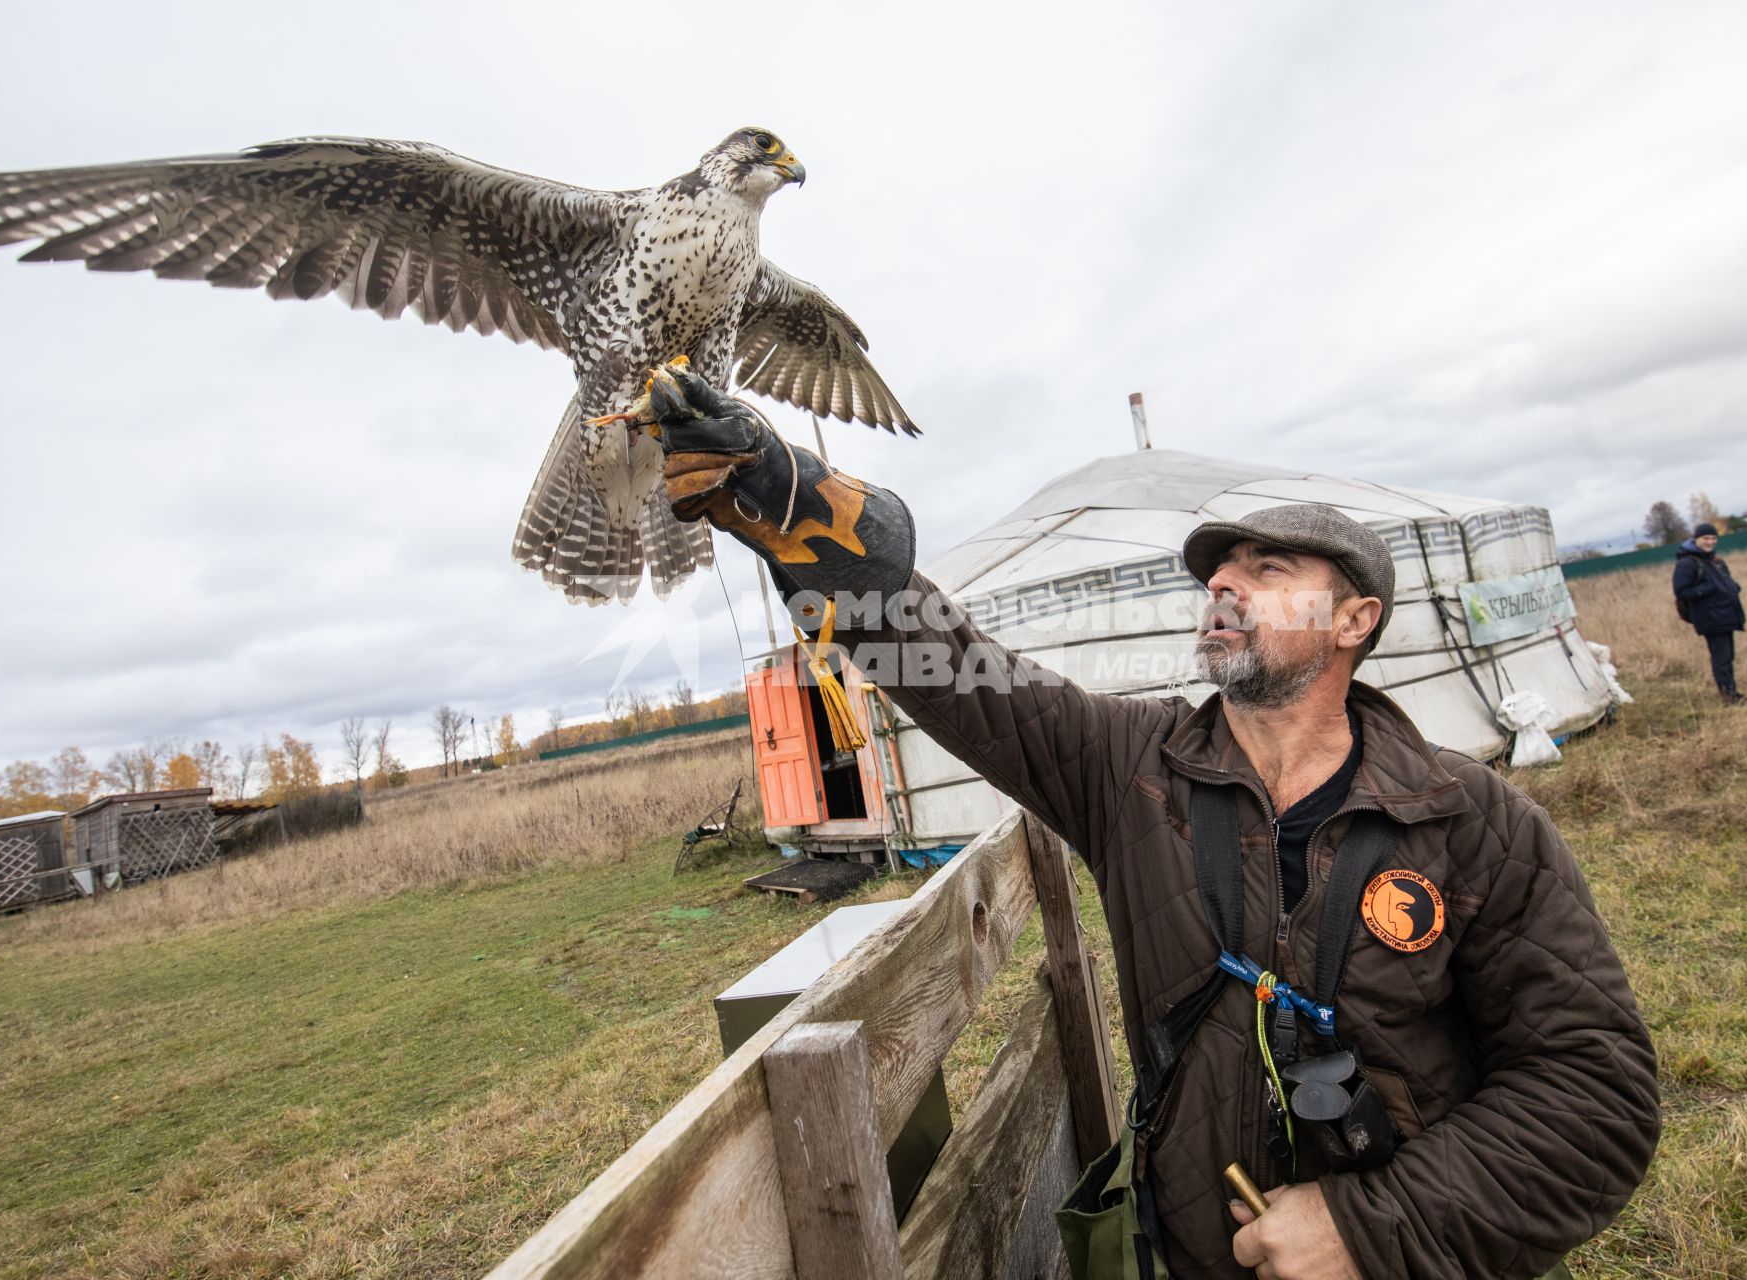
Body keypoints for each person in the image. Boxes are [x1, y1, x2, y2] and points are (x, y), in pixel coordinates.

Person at [646, 369, 1659, 1280]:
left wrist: (1371, 1223)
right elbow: (963, 671)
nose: (1222, 582)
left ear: (1354, 621)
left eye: (1267, 570)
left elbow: (1594, 1095)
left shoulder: (1474, 820)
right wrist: (815, 530)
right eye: (1218, 573)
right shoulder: (1130, 766)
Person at [1672, 522, 1747, 703]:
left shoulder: (1716, 561)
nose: (1710, 542)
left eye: (1713, 538)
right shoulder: (1687, 563)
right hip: (1711, 618)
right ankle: (1729, 697)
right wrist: (1707, 589)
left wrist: (1733, 588)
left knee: (1728, 657)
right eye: (1706, 538)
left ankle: (1732, 692)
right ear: (1696, 539)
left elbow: (1726, 582)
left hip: (1726, 615)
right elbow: (1681, 591)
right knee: (1721, 659)